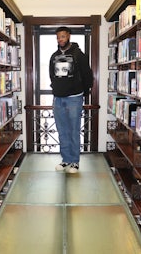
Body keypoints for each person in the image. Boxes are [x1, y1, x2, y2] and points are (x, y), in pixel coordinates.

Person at [49, 26, 93, 173]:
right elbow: (52, 75)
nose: (60, 39)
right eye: (58, 37)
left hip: (74, 98)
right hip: (58, 99)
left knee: (74, 130)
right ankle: (65, 160)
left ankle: (75, 161)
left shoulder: (79, 54)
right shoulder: (54, 56)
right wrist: (55, 89)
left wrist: (84, 92)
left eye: (62, 36)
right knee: (62, 131)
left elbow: (87, 75)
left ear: (68, 36)